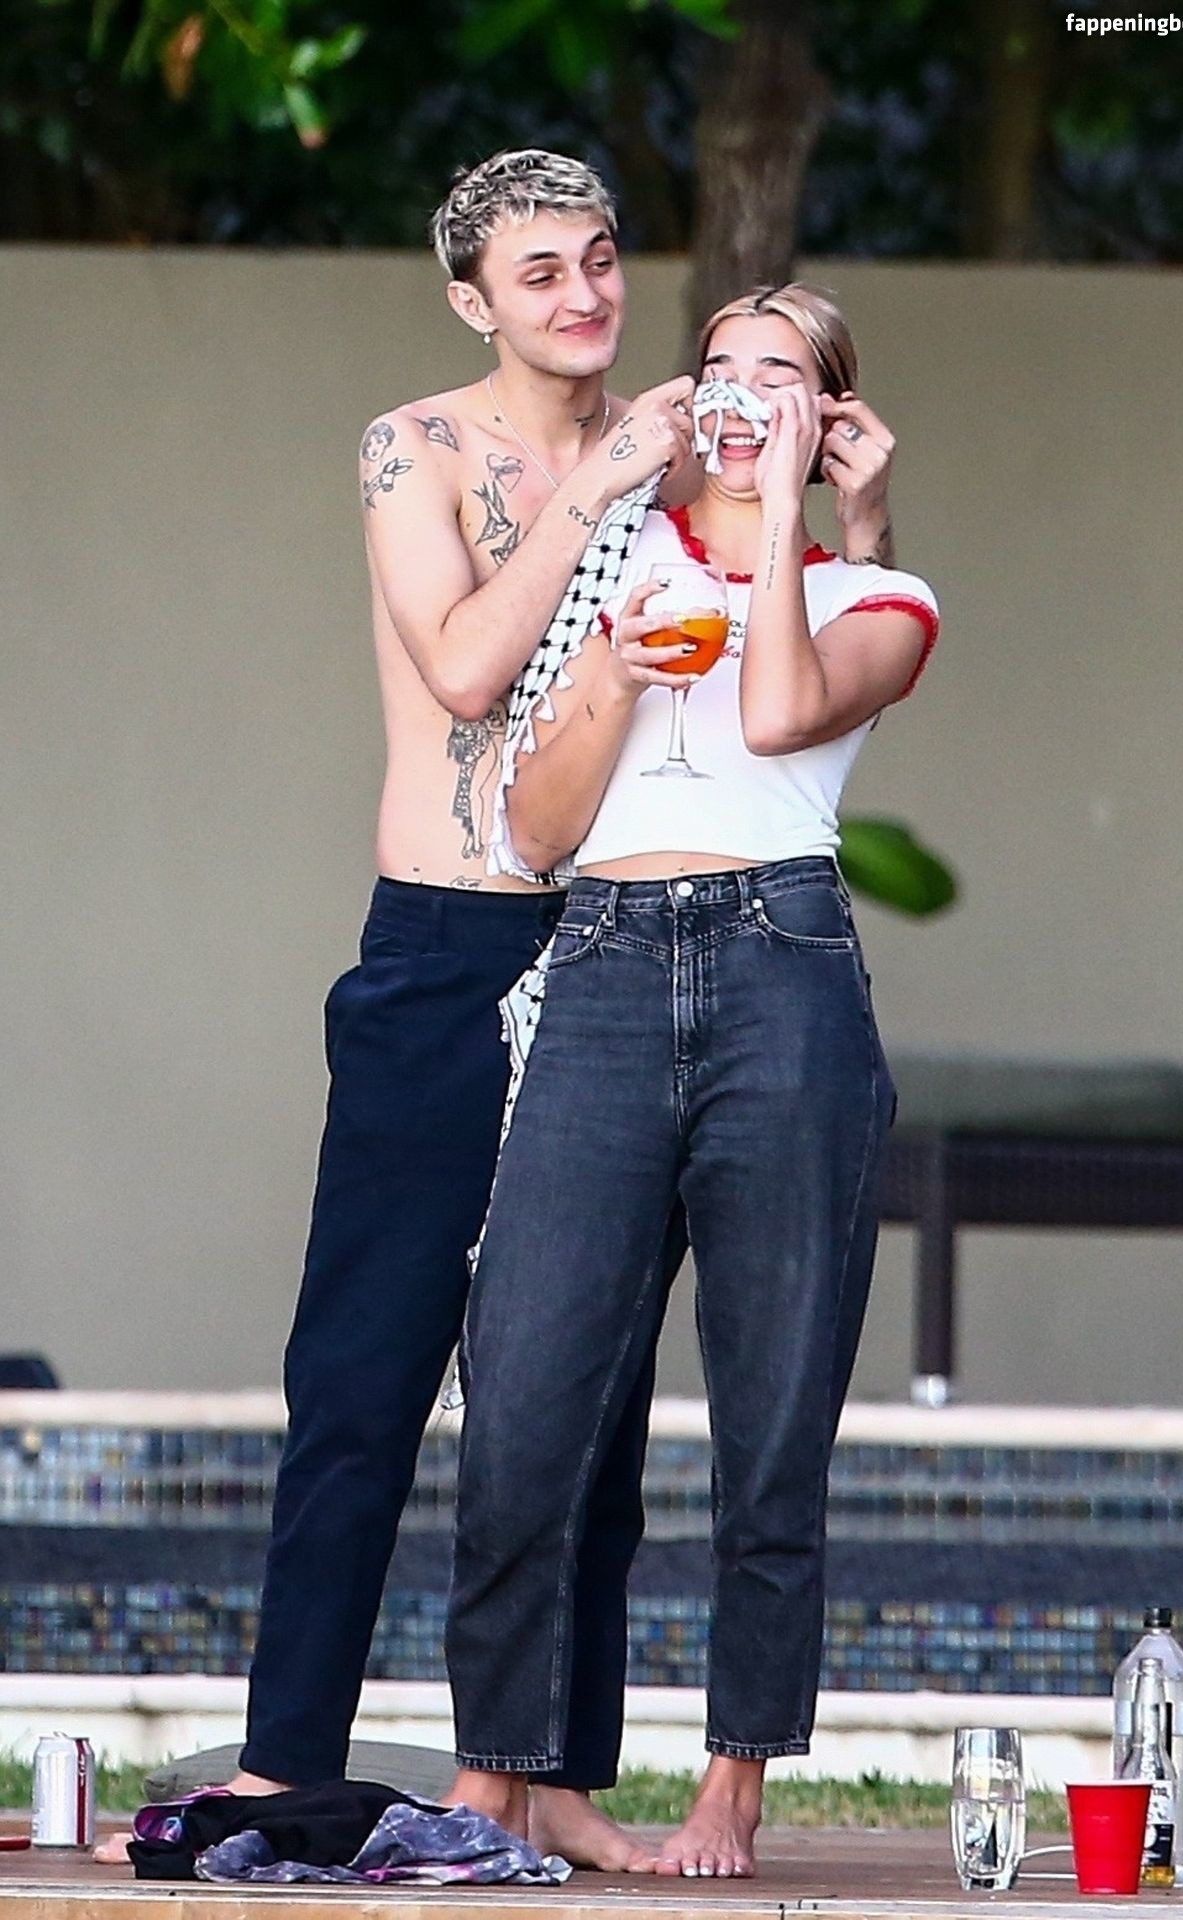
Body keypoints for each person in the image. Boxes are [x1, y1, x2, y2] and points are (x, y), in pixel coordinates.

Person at [92, 150, 895, 1869]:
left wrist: (836, 503)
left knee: (584, 1396)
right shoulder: (421, 447)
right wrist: (601, 484)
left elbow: (812, 644)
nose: (586, 295)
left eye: (601, 260)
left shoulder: (690, 446)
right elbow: (464, 670)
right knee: (368, 1367)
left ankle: (551, 1773)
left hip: (629, 945)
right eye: (541, 272)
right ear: (472, 299)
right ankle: (282, 1761)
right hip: (452, 944)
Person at [443, 283, 939, 1879]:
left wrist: (797, 519)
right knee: (524, 1393)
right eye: (718, 366)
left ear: (830, 414)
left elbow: (781, 710)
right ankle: (495, 1777)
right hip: (599, 961)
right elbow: (535, 827)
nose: (734, 393)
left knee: (771, 1413)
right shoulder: (614, 560)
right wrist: (616, 669)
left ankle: (734, 1780)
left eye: (777, 376)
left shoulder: (880, 595)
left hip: (782, 970)